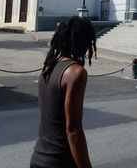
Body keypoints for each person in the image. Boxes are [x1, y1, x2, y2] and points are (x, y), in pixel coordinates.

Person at [30, 16, 96, 168]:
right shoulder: (76, 72)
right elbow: (73, 129)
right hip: (60, 160)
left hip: (39, 157)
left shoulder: (49, 67)